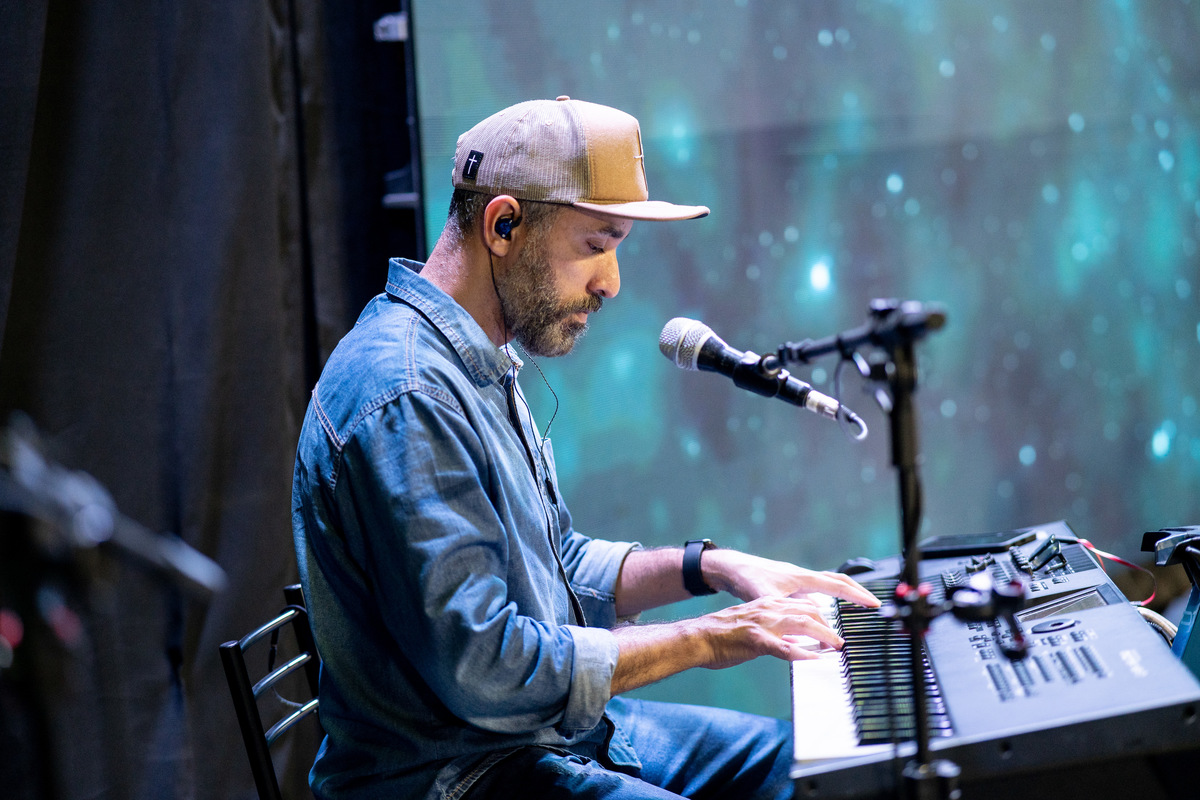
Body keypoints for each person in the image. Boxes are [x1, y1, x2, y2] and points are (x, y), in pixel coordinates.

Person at [291, 96, 880, 800]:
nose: (612, 284)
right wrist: (713, 637)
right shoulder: (408, 391)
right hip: (457, 775)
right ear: (503, 224)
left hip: (538, 740)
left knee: (813, 769)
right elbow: (490, 669)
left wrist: (717, 567)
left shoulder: (470, 361)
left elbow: (561, 564)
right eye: (596, 246)